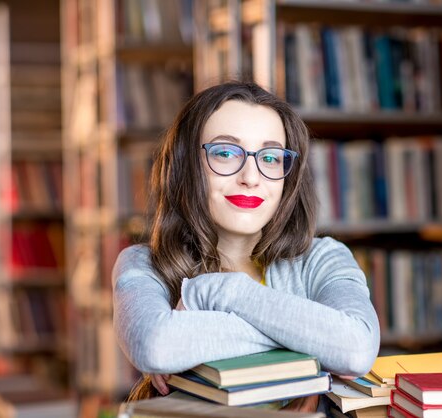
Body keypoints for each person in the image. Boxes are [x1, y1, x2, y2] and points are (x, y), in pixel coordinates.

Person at [112, 81, 380, 413]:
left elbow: (354, 348)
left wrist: (221, 292)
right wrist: (316, 339)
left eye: (270, 157)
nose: (251, 177)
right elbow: (156, 345)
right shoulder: (142, 264)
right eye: (225, 153)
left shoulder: (324, 258)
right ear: (185, 165)